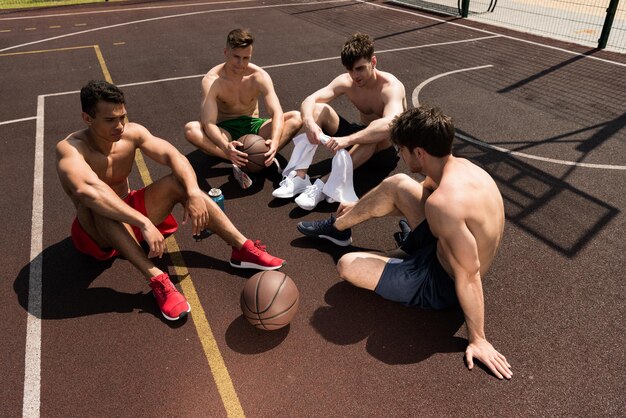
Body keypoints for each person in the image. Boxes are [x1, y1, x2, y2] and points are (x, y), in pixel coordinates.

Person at [297, 106, 512, 379]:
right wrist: (358, 206)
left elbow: (469, 275)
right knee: (397, 184)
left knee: (347, 265)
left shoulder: (444, 205)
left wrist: (478, 339)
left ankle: (402, 255)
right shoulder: (460, 168)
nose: (399, 154)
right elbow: (412, 197)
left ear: (419, 153)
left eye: (402, 150)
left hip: (443, 282)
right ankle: (339, 228)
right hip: (444, 247)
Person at [56, 80, 285, 322]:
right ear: (87, 118)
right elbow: (89, 191)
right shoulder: (71, 149)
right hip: (95, 232)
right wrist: (143, 222)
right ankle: (158, 279)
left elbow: (172, 155)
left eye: (122, 116)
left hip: (131, 212)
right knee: (100, 206)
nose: (120, 125)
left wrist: (194, 193)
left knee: (180, 182)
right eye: (110, 120)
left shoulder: (132, 132)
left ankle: (242, 249)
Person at [272, 32, 406, 210]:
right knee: (319, 109)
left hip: (384, 150)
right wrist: (310, 122)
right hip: (359, 135)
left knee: (372, 134)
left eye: (359, 68)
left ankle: (324, 185)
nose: (354, 75)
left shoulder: (390, 88)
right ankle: (300, 176)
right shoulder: (347, 81)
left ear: (373, 62)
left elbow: (390, 125)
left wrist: (348, 140)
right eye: (350, 70)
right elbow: (309, 101)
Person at [184, 28, 302, 189]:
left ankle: (263, 157)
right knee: (191, 130)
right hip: (226, 131)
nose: (241, 64)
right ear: (226, 52)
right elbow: (209, 123)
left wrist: (274, 141)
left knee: (296, 117)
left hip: (254, 125)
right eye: (236, 57)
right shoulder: (212, 80)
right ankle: (233, 159)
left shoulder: (259, 76)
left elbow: (276, 112)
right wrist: (226, 147)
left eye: (246, 58)